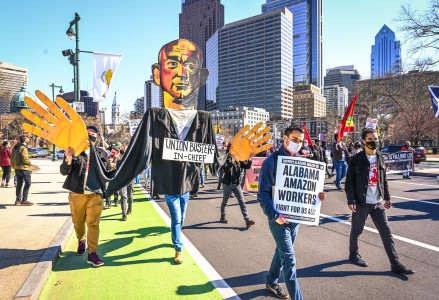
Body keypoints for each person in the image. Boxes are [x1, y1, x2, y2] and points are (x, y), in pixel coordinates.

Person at [258, 125, 326, 299]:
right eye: (294, 140)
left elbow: (303, 190)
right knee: (289, 260)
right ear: (285, 139)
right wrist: (275, 216)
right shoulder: (271, 161)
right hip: (278, 220)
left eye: (301, 141)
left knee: (281, 253)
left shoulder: (302, 161)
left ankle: (271, 281)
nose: (298, 143)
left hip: (296, 218)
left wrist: (317, 196)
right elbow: (262, 195)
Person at [345, 128, 414, 275]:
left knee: (386, 233)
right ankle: (353, 254)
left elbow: (384, 180)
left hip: (377, 203)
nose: (373, 142)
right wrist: (351, 200)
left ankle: (395, 264)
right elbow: (349, 182)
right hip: (361, 202)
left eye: (375, 139)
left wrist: (387, 197)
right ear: (363, 141)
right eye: (370, 139)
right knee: (357, 230)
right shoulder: (356, 159)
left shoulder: (380, 157)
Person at [60, 125, 111, 267]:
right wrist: (68, 159)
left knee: (93, 223)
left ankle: (92, 253)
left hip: (95, 193)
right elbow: (64, 172)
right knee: (78, 221)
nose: (91, 136)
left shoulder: (101, 153)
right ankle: (81, 240)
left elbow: (107, 172)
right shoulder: (75, 151)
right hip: (77, 192)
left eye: (93, 134)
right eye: (88, 133)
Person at [220, 152, 255, 229]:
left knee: (242, 202)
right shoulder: (226, 158)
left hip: (237, 184)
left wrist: (249, 158)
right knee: (225, 201)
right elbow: (225, 169)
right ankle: (222, 216)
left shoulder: (239, 159)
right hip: (227, 184)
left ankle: (247, 220)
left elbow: (247, 166)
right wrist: (232, 161)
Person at [10, 136, 33, 206]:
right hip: (24, 168)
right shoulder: (23, 148)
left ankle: (18, 200)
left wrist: (14, 166)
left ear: (19, 140)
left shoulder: (15, 148)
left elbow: (12, 158)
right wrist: (29, 163)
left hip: (17, 168)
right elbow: (25, 158)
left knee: (19, 184)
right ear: (25, 141)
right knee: (28, 183)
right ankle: (24, 200)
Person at [118, 150, 135, 221]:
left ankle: (130, 208)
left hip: (130, 180)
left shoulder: (133, 162)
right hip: (122, 181)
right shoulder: (119, 162)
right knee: (123, 196)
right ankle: (124, 214)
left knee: (130, 196)